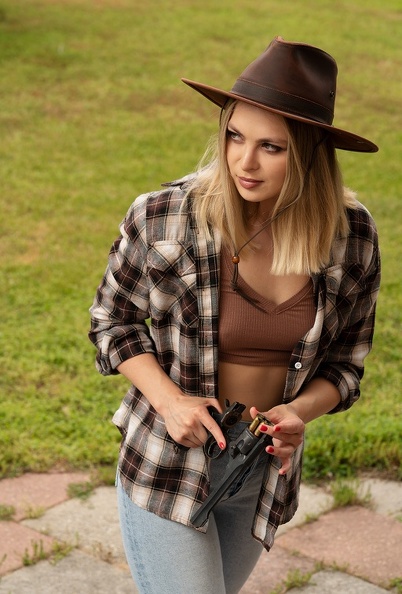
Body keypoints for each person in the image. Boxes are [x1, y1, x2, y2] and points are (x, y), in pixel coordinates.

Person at [89, 36, 380, 594]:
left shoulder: (351, 236)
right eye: (235, 136)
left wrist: (298, 413)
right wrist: (170, 402)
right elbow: (112, 322)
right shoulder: (165, 216)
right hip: (170, 460)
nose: (244, 161)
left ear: (311, 155)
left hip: (261, 467)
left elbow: (346, 365)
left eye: (272, 147)